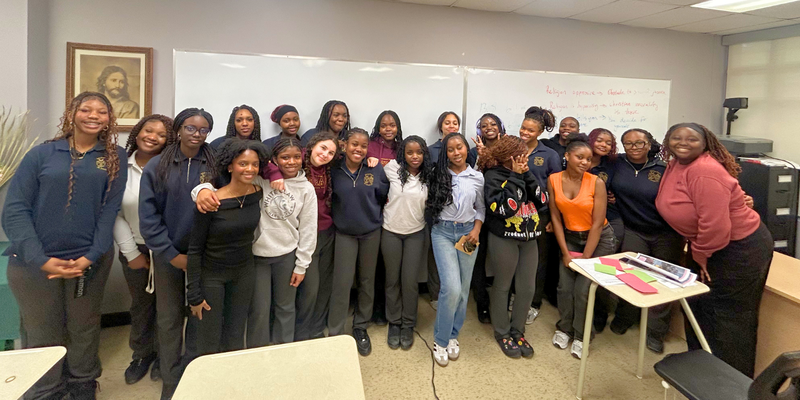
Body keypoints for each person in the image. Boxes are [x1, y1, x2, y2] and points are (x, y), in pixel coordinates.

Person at [3, 92, 127, 399]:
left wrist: (90, 256)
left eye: (102, 111)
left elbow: (109, 210)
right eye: (86, 109)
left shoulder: (113, 156)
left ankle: (83, 384)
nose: (94, 115)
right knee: (43, 331)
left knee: (84, 328)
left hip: (88, 262)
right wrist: (39, 258)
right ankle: (47, 390)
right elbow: (15, 209)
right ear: (71, 113)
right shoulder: (42, 154)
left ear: (109, 119)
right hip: (34, 264)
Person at [655, 123, 773, 378]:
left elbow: (716, 226)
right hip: (707, 247)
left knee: (728, 318)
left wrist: (699, 254)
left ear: (706, 143)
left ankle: (732, 384)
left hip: (736, 249)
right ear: (667, 142)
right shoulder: (677, 163)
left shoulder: (704, 169)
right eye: (676, 138)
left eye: (692, 139)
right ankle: (702, 372)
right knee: (700, 307)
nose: (683, 142)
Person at [139, 108, 217, 400]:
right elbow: (148, 217)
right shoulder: (158, 165)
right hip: (167, 254)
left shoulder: (214, 163)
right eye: (191, 128)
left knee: (199, 314)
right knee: (170, 317)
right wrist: (171, 254)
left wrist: (199, 256)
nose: (197, 135)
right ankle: (171, 380)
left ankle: (194, 371)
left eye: (203, 130)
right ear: (179, 129)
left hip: (204, 256)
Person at [186, 139, 265, 355]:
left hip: (244, 273)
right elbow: (195, 250)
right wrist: (193, 293)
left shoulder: (258, 192)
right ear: (230, 166)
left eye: (255, 164)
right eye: (243, 163)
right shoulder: (211, 202)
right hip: (212, 276)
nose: (250, 169)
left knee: (236, 334)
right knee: (209, 337)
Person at [113, 114, 173, 384]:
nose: (153, 136)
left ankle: (165, 355)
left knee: (168, 306)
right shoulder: (119, 167)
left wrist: (165, 248)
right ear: (137, 132)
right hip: (134, 247)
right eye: (149, 130)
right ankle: (141, 354)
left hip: (167, 248)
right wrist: (131, 253)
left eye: (161, 134)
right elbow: (113, 213)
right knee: (141, 306)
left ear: (168, 140)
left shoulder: (170, 167)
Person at [548, 133, 617, 360]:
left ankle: (581, 335)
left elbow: (597, 224)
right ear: (567, 156)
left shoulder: (596, 182)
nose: (585, 163)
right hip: (570, 237)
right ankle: (565, 328)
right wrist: (566, 253)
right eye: (580, 157)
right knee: (564, 288)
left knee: (583, 290)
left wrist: (585, 259)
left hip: (598, 241)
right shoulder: (554, 180)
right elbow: (556, 219)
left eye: (588, 159)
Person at [481, 135, 547, 359]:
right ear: (510, 157)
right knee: (503, 285)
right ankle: (502, 332)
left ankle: (518, 330)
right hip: (504, 238)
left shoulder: (526, 172)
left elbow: (542, 200)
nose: (525, 157)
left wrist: (526, 174)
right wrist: (516, 176)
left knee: (527, 287)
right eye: (521, 154)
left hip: (529, 239)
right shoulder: (492, 176)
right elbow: (505, 208)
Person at [328, 128, 389, 356]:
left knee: (367, 281)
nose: (359, 149)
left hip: (371, 233)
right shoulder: (334, 169)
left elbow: (382, 197)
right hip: (344, 234)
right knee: (342, 284)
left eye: (363, 146)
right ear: (345, 145)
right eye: (354, 144)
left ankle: (360, 327)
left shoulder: (375, 169)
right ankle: (335, 331)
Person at [425, 132, 485, 367]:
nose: (456, 153)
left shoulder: (477, 177)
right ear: (446, 154)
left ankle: (452, 335)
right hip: (442, 233)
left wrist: (477, 229)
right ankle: (440, 339)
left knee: (463, 290)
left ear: (465, 148)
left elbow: (480, 207)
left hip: (469, 233)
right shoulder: (437, 175)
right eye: (450, 150)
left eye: (459, 147)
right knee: (451, 288)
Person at [381, 135, 433, 350]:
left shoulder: (429, 174)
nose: (414, 157)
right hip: (391, 231)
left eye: (419, 152)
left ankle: (408, 324)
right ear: (402, 153)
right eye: (410, 152)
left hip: (415, 233)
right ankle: (394, 322)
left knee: (410, 281)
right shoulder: (391, 168)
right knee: (392, 279)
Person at [518, 107, 561, 323]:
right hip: (515, 213)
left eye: (531, 130)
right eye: (523, 128)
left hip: (540, 214)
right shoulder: (512, 148)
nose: (525, 133)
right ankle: (517, 297)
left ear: (540, 132)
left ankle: (533, 303)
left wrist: (554, 219)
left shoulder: (550, 155)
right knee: (517, 259)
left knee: (538, 261)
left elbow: (555, 190)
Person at [469, 113, 507, 324]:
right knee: (477, 258)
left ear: (500, 126)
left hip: (503, 211)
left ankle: (503, 300)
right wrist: (482, 158)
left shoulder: (509, 148)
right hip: (480, 209)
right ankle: (482, 303)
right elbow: (471, 178)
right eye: (484, 126)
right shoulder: (474, 151)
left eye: (493, 124)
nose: (489, 128)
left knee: (503, 257)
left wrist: (498, 156)